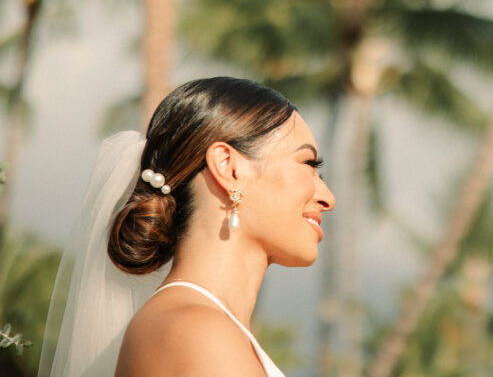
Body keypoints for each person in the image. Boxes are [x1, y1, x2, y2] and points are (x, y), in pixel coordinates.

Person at [38, 77, 335, 377]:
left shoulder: (201, 326)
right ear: (229, 168)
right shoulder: (196, 331)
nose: (328, 198)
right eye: (309, 164)